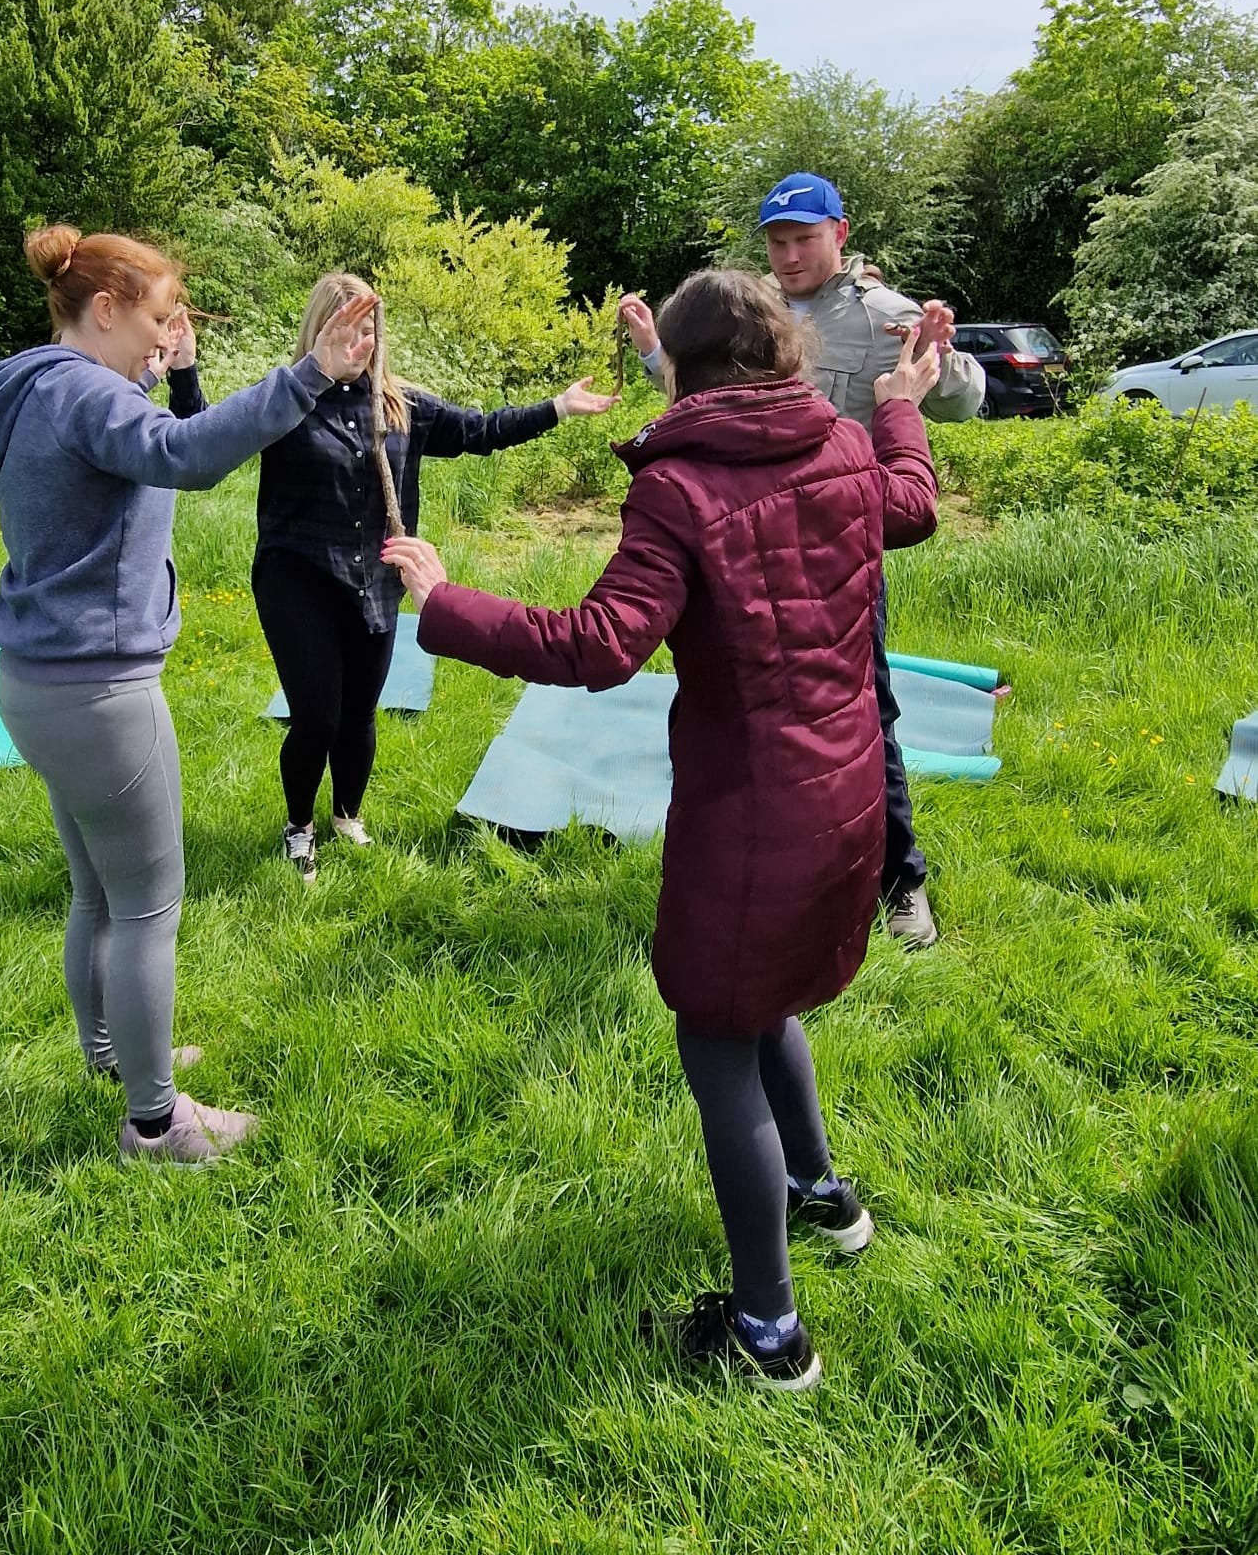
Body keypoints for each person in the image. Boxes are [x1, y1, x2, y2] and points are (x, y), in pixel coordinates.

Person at [385, 269, 940, 1387]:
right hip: (845, 799)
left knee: (714, 1028)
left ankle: (769, 1333)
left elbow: (599, 645)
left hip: (752, 820)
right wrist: (899, 400)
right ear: (783, 356)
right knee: (762, 1000)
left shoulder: (679, 486)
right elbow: (913, 501)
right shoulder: (840, 444)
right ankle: (823, 1196)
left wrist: (444, 602)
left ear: (678, 366)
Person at [0, 226, 375, 1165]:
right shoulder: (84, 396)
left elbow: (123, 443)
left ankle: (113, 1054)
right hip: (100, 688)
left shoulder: (38, 389)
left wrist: (150, 370)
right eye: (155, 318)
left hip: (37, 679)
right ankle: (155, 1123)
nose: (166, 336)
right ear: (103, 308)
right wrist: (305, 374)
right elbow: (187, 455)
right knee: (147, 905)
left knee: (97, 891)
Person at [620, 175, 984, 949]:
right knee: (745, 717)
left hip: (839, 551)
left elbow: (958, 401)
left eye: (803, 239)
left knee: (864, 715)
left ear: (840, 233)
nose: (788, 256)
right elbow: (700, 387)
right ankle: (766, 875)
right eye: (777, 242)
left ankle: (900, 882)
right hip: (741, 547)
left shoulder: (889, 317)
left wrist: (943, 361)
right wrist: (655, 351)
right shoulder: (755, 307)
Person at [253, 271, 619, 882]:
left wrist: (558, 407)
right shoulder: (284, 401)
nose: (360, 344)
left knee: (360, 712)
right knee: (316, 715)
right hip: (299, 578)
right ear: (319, 331)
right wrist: (182, 374)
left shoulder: (401, 406)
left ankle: (346, 815)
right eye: (346, 330)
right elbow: (206, 436)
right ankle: (299, 828)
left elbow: (481, 431)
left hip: (374, 580)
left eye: (368, 331)